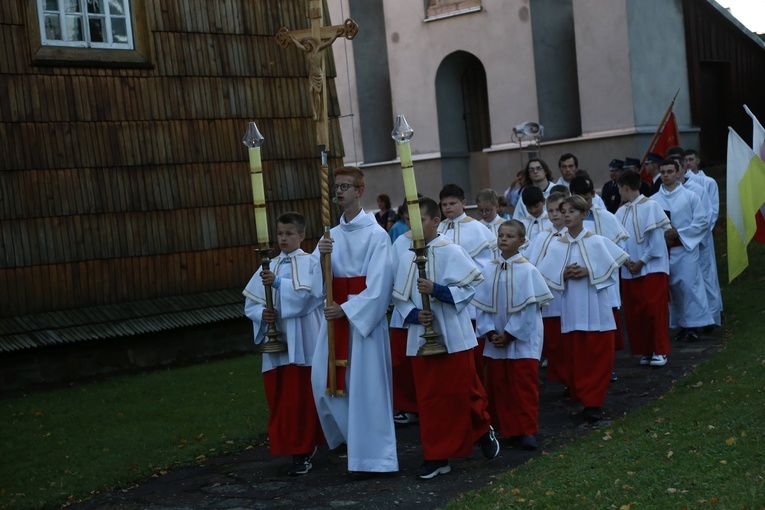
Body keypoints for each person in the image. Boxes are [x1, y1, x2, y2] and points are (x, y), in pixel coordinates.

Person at [392, 197, 499, 480]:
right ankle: (437, 456)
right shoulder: (405, 256)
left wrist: (438, 290)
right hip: (421, 339)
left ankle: (481, 428)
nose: (414, 227)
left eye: (421, 221)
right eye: (409, 222)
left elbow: (471, 286)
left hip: (453, 334)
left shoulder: (451, 250)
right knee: (429, 399)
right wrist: (414, 314)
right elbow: (399, 298)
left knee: (463, 392)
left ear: (436, 221)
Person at [310, 166, 399, 474]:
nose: (339, 191)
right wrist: (320, 258)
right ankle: (352, 441)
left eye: (345, 186)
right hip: (335, 321)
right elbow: (313, 285)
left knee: (366, 387)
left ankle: (375, 457)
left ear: (360, 191)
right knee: (323, 381)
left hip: (362, 325)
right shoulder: (328, 237)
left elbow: (379, 287)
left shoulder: (377, 235)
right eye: (336, 186)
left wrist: (346, 309)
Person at [243, 212, 325, 476]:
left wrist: (278, 284)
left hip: (303, 339)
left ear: (301, 236)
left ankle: (304, 447)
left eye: (289, 234)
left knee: (301, 396)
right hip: (277, 344)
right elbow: (251, 304)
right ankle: (291, 445)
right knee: (281, 397)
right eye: (280, 234)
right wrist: (261, 314)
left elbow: (307, 300)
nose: (283, 239)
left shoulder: (312, 262)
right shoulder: (269, 264)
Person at [536, 196, 628, 423]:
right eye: (562, 211)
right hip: (572, 308)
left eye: (571, 211)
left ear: (583, 214)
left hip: (596, 305)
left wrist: (589, 271)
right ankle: (582, 393)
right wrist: (563, 274)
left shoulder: (596, 241)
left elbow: (612, 267)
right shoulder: (558, 244)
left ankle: (594, 401)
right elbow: (545, 274)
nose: (566, 215)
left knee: (597, 353)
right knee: (576, 353)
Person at [474, 220, 553, 451]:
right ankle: (507, 427)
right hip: (495, 337)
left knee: (523, 383)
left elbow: (529, 309)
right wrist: (490, 332)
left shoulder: (528, 270)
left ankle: (526, 429)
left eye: (510, 236)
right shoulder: (489, 269)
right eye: (501, 235)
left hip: (522, 339)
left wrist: (509, 334)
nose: (504, 239)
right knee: (500, 384)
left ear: (521, 241)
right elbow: (482, 305)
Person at [650, 159, 713, 342]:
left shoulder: (690, 196)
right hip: (664, 251)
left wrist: (679, 232)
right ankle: (680, 324)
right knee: (673, 289)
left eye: (670, 171)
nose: (666, 175)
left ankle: (693, 325)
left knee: (689, 286)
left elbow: (702, 222)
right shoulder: (653, 201)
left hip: (685, 248)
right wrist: (662, 236)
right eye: (663, 172)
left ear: (678, 174)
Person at [569, 175, 629, 364]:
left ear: (593, 195)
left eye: (586, 199)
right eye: (577, 199)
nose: (583, 204)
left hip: (603, 282)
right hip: (576, 284)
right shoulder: (566, 222)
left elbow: (619, 252)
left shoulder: (606, 218)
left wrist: (593, 269)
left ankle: (605, 366)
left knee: (603, 329)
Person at [438, 183, 496, 377]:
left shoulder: (476, 228)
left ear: (463, 203)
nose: (448, 208)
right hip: (444, 296)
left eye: (452, 203)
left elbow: (486, 265)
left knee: (474, 352)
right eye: (444, 204)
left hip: (471, 298)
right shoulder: (439, 227)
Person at [615, 170, 672, 366]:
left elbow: (656, 240)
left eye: (619, 188)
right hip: (631, 269)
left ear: (625, 187)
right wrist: (625, 260)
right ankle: (645, 349)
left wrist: (642, 261)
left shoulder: (652, 206)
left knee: (654, 310)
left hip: (652, 268)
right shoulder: (621, 211)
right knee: (636, 312)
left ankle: (660, 350)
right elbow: (617, 240)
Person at [522, 191, 568, 385]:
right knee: (553, 341)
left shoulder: (572, 233)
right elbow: (531, 262)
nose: (555, 214)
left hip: (568, 294)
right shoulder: (542, 237)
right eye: (550, 210)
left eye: (558, 210)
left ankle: (570, 379)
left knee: (567, 341)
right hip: (549, 297)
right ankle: (560, 377)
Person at [683, 149, 722, 328]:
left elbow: (711, 210)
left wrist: (704, 233)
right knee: (693, 278)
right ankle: (699, 316)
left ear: (698, 160)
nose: (688, 163)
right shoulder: (683, 184)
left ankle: (714, 315)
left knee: (708, 275)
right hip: (689, 238)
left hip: (703, 236)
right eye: (686, 160)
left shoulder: (708, 182)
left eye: (691, 159)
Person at [476, 188, 506, 258]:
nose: (484, 214)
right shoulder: (476, 226)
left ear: (497, 207)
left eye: (488, 210)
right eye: (480, 211)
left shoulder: (507, 225)